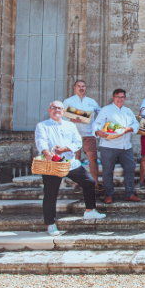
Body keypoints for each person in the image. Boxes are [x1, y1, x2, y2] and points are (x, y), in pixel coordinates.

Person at [34, 100, 105, 237]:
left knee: (89, 182)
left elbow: (77, 142)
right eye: (54, 108)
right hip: (52, 164)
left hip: (70, 162)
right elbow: (41, 140)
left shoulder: (70, 125)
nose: (57, 111)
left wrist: (66, 148)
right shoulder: (42, 125)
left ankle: (90, 210)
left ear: (63, 111)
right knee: (50, 194)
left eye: (59, 109)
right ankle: (50, 224)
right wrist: (47, 153)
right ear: (49, 110)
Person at [93, 89, 141, 204]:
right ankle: (108, 195)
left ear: (125, 98)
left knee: (130, 168)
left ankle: (129, 194)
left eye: (122, 97)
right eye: (117, 97)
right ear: (113, 97)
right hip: (109, 145)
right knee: (108, 171)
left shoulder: (128, 111)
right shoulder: (106, 110)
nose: (120, 99)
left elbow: (136, 124)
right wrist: (98, 132)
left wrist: (129, 129)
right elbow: (96, 124)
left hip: (126, 146)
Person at [63, 80, 102, 194]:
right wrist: (72, 119)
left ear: (86, 88)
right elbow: (62, 116)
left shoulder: (92, 102)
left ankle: (95, 183)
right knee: (76, 160)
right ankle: (77, 184)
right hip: (74, 135)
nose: (81, 88)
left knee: (93, 159)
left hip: (89, 134)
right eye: (78, 86)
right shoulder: (68, 101)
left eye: (83, 86)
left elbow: (100, 114)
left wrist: (98, 127)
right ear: (74, 88)